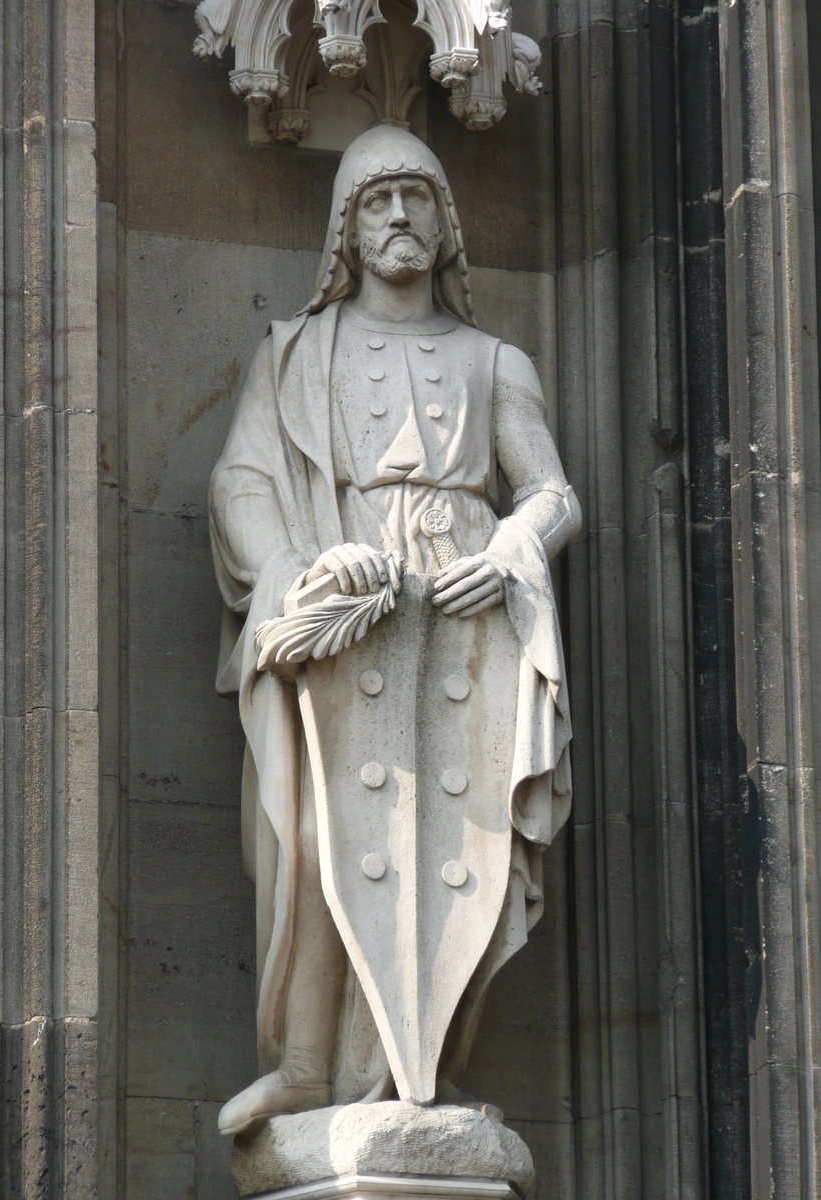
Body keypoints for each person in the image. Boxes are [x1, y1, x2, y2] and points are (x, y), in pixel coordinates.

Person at [209, 124, 580, 1137]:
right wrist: (299, 572)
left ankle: (416, 1076)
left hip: (461, 627)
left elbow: (550, 491)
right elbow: (240, 484)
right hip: (344, 618)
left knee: (460, 849)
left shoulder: (492, 360)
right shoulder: (294, 356)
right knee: (324, 839)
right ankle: (306, 1066)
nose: (402, 218)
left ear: (447, 226)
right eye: (379, 202)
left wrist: (510, 551)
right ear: (348, 228)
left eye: (419, 199)